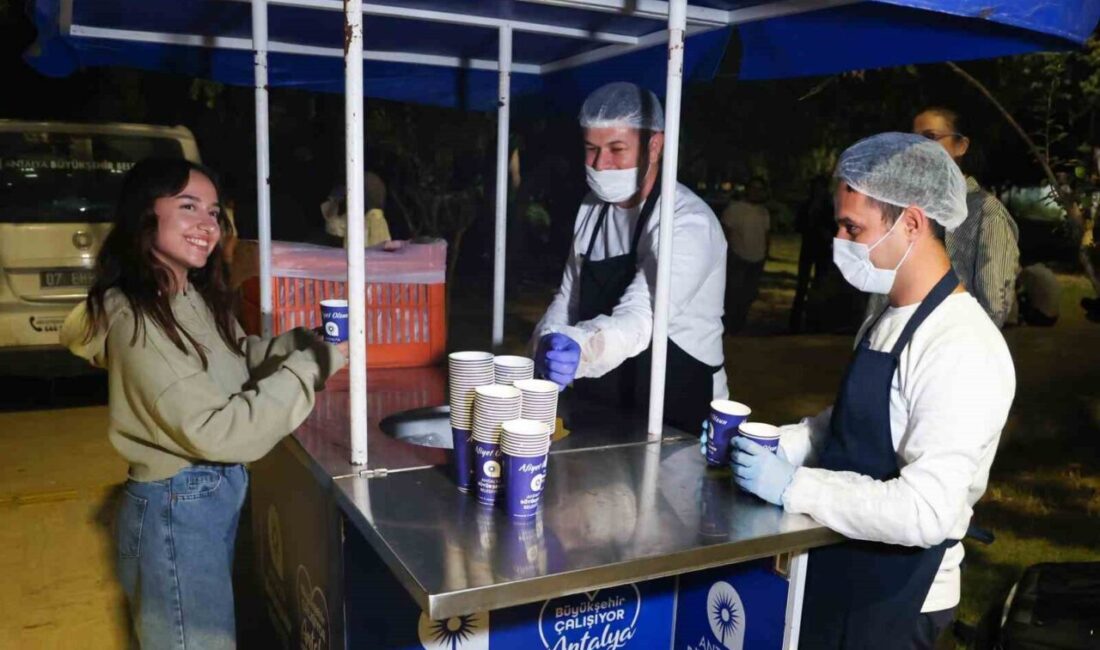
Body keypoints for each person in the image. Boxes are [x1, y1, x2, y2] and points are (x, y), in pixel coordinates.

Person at [728, 134, 1015, 649]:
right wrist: (777, 444)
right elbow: (855, 421)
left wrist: (795, 486)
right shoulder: (886, 315)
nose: (839, 239)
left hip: (902, 595)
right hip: (845, 560)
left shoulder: (961, 345)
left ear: (910, 222)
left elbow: (925, 510)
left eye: (851, 227)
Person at [59, 158, 347, 649]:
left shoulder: (185, 294)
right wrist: (307, 368)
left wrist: (304, 344)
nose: (207, 225)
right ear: (144, 214)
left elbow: (238, 359)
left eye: (214, 212)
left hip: (204, 497)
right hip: (178, 505)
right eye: (188, 206)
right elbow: (222, 431)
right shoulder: (138, 322)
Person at [531, 81, 728, 432]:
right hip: (608, 395)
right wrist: (547, 340)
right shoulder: (593, 208)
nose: (600, 164)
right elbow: (569, 296)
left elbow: (642, 316)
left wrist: (581, 347)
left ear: (654, 145)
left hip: (678, 404)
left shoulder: (688, 222)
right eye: (591, 148)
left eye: (616, 149)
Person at [863, 107, 1019, 328]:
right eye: (912, 140)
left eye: (930, 137)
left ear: (961, 146)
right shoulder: (904, 209)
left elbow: (994, 306)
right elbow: (882, 293)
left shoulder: (986, 213)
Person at [721, 176, 771, 332]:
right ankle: (728, 329)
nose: (756, 192)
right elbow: (725, 233)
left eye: (759, 189)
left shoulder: (763, 212)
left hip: (757, 260)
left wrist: (765, 255)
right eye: (754, 188)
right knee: (733, 297)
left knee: (748, 296)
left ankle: (739, 328)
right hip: (738, 258)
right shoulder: (734, 209)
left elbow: (767, 234)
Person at [790, 175, 836, 333]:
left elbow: (834, 228)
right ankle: (795, 323)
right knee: (802, 285)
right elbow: (798, 225)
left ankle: (813, 321)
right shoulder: (807, 206)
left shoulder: (829, 207)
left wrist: (826, 232)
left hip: (823, 251)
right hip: (808, 248)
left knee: (819, 285)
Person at [312, 171, 392, 248]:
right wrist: (334, 201)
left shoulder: (375, 219)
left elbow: (379, 252)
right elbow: (332, 226)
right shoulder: (350, 218)